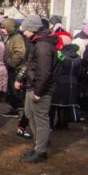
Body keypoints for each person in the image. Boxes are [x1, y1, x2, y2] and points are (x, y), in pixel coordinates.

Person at [18, 16, 56, 164]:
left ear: (33, 29)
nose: (24, 32)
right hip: (32, 85)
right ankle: (38, 145)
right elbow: (32, 65)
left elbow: (44, 72)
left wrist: (39, 92)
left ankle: (40, 151)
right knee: (29, 114)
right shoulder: (38, 43)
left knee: (40, 119)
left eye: (26, 29)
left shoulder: (43, 47)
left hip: (40, 89)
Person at [50, 42, 84, 131]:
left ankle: (50, 125)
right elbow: (80, 73)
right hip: (72, 83)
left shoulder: (60, 55)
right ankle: (63, 125)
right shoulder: (78, 58)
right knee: (66, 106)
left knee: (53, 105)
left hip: (58, 82)